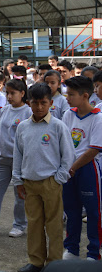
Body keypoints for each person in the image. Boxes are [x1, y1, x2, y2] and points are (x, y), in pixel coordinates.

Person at [13, 83, 74, 272]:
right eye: (35, 103)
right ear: (29, 103)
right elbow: (18, 155)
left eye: (43, 103)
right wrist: (18, 180)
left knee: (54, 224)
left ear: (51, 103)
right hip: (29, 183)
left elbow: (68, 156)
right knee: (34, 223)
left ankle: (54, 263)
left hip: (51, 182)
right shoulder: (23, 127)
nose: (39, 107)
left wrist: (59, 178)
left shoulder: (58, 126)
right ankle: (36, 260)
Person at [60, 76, 102, 261]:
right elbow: (62, 142)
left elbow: (93, 150)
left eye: (71, 94)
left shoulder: (98, 117)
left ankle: (94, 252)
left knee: (93, 211)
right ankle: (71, 249)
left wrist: (73, 167)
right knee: (71, 210)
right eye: (66, 94)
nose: (67, 98)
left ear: (85, 95)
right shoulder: (69, 114)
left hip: (87, 169)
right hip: (69, 169)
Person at [0, 79, 32, 238]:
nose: (10, 96)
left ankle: (19, 225)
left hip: (20, 161)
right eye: (7, 93)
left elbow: (29, 138)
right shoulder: (4, 110)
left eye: (13, 93)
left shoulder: (28, 112)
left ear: (22, 94)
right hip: (2, 159)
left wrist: (25, 157)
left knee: (20, 194)